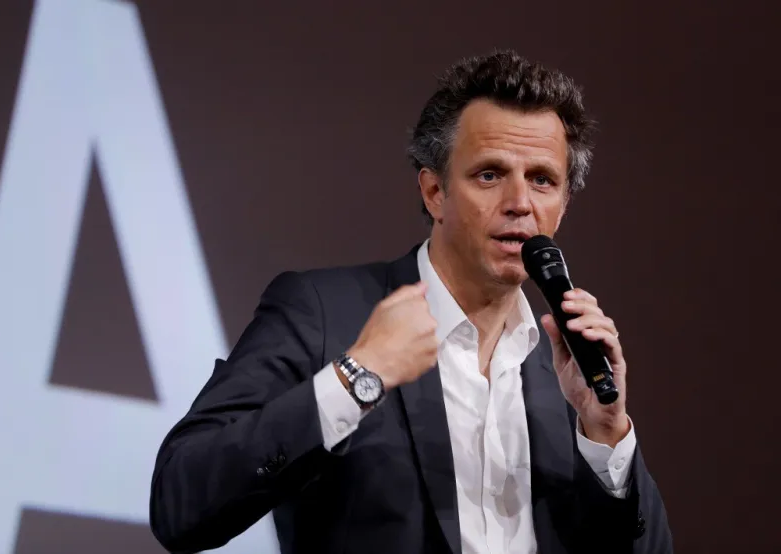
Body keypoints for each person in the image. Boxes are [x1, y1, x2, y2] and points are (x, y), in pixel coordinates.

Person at [149, 50, 672, 554]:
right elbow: (180, 502)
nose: (520, 204)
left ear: (563, 205)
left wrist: (606, 434)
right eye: (489, 175)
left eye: (542, 180)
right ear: (434, 192)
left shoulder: (570, 371)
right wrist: (356, 379)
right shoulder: (326, 315)